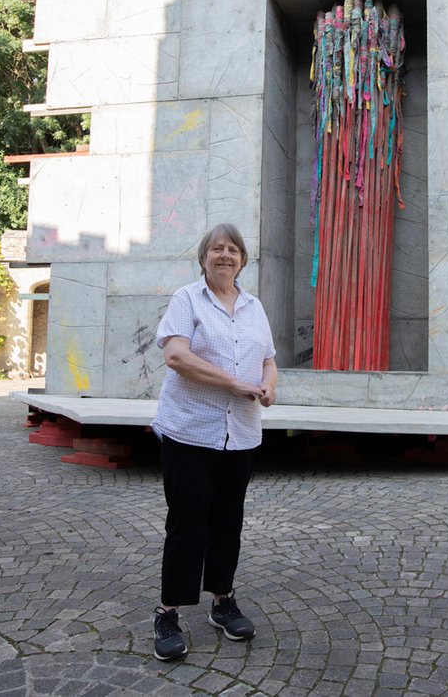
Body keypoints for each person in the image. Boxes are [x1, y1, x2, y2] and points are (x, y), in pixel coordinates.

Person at [150, 223, 277, 661]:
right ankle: (168, 611)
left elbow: (268, 358)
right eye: (217, 249)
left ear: (243, 259)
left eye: (233, 250)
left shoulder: (254, 306)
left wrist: (268, 385)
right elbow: (176, 355)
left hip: (240, 434)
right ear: (203, 257)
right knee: (187, 524)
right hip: (191, 431)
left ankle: (223, 601)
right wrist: (235, 384)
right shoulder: (187, 299)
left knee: (228, 523)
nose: (225, 255)